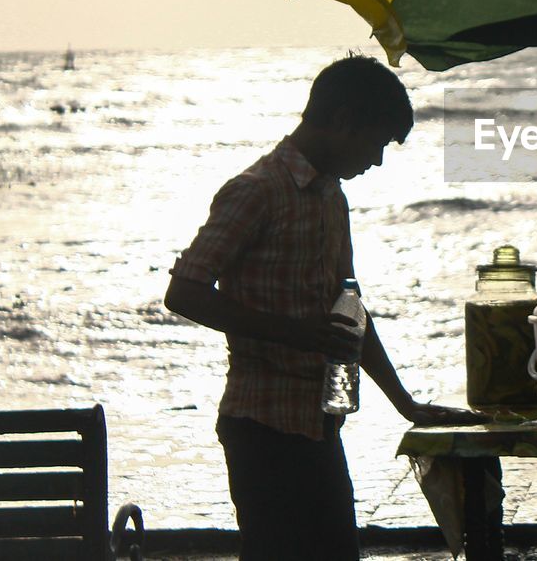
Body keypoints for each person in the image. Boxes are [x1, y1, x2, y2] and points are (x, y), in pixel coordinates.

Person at [165, 53, 485, 560]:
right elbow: (184, 292)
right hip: (261, 428)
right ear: (341, 122)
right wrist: (298, 334)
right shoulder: (256, 191)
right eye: (376, 143)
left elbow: (349, 309)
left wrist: (405, 403)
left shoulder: (331, 197)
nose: (376, 160)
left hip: (318, 425)